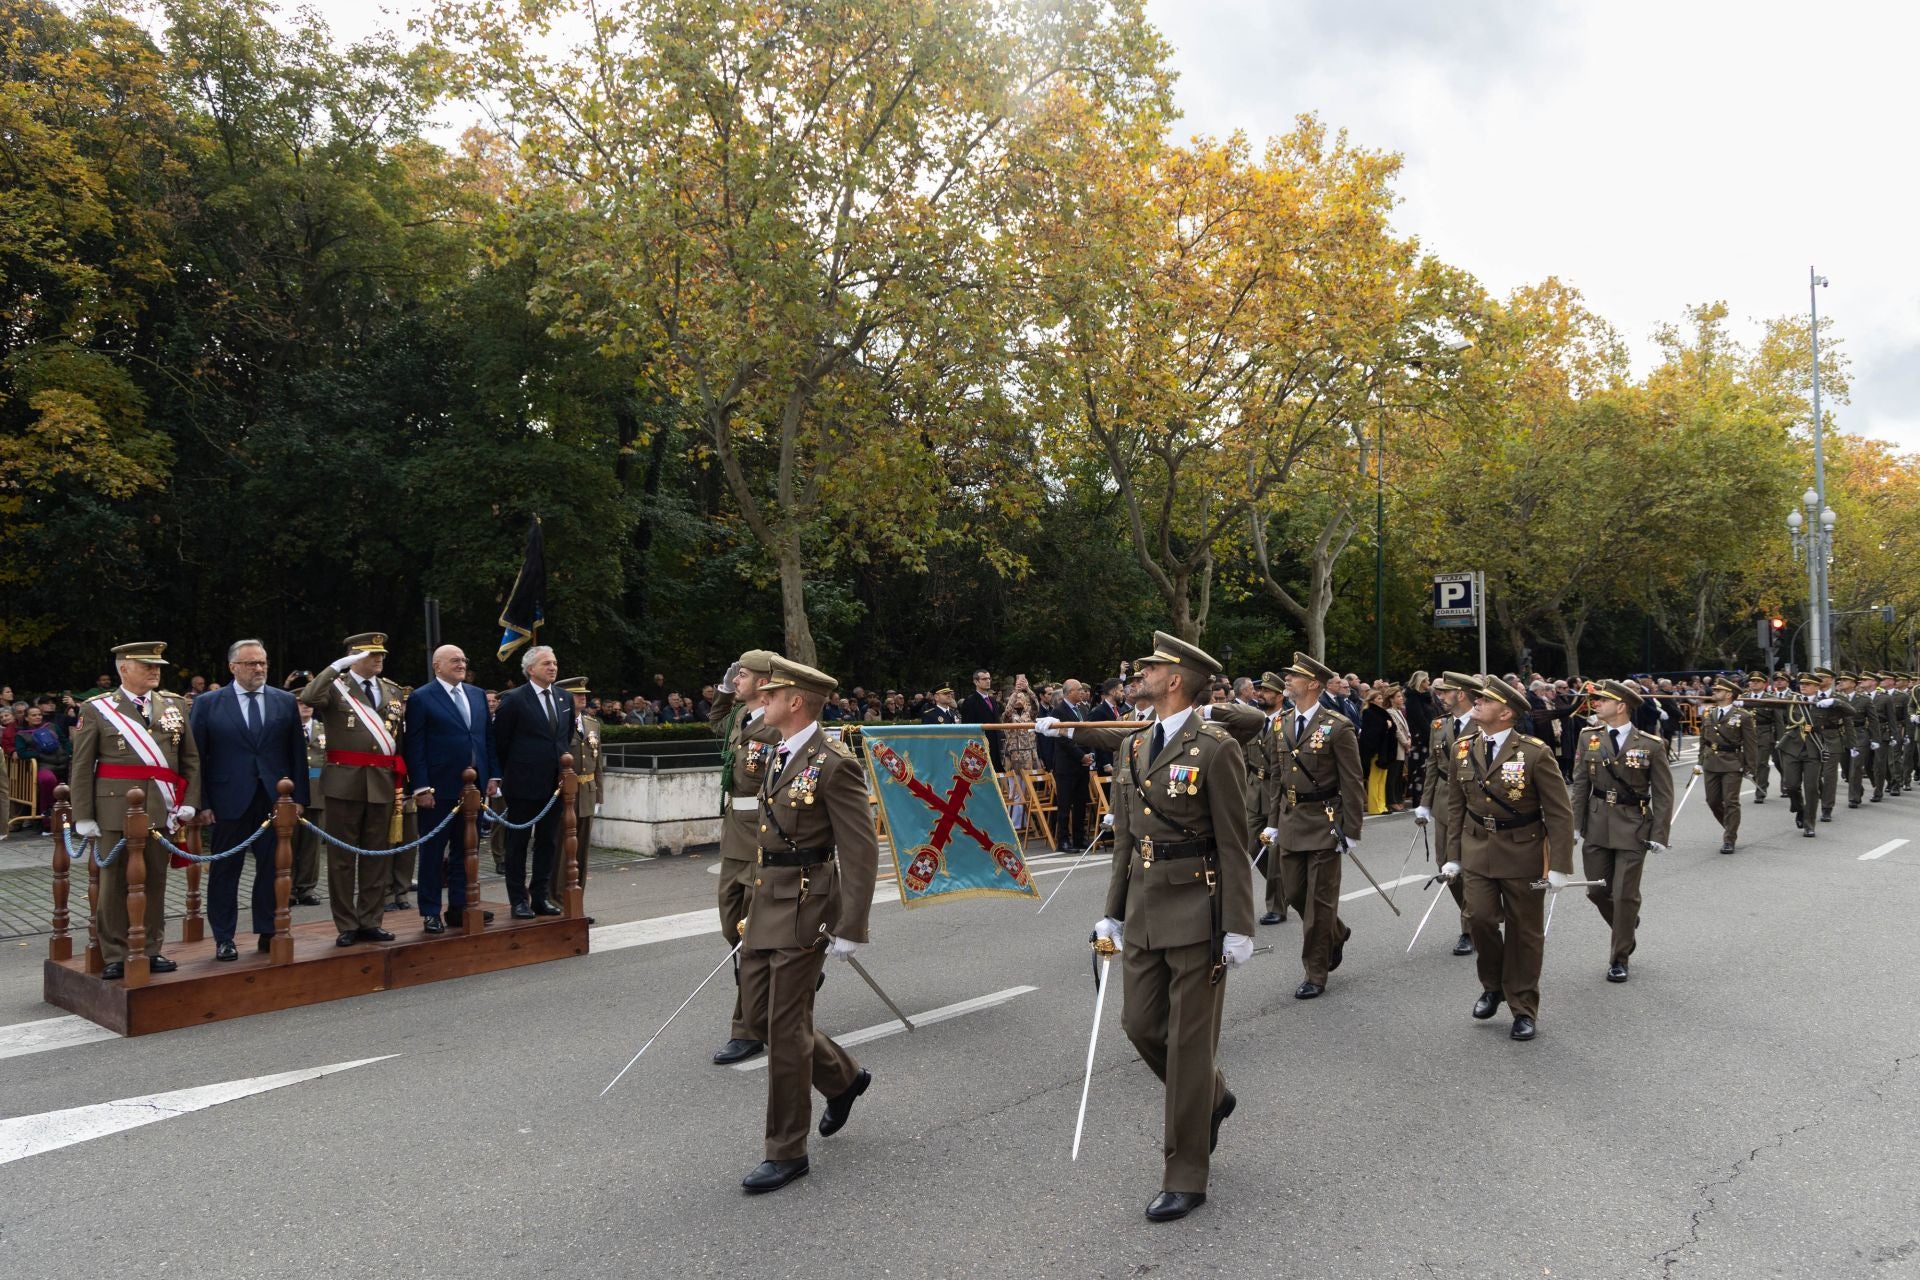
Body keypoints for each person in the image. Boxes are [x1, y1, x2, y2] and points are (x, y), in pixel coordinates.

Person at [1044, 631, 1254, 1222]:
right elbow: (1127, 843)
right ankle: (1212, 1096)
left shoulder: (1215, 748)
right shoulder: (1134, 747)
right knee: (1139, 1025)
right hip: (1141, 908)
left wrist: (1238, 924)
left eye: (1153, 666)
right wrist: (1111, 908)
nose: (1142, 673)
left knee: (1188, 1049)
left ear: (1178, 679)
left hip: (1197, 910)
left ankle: (1185, 1171)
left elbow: (1234, 844)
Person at [737, 656, 881, 1194]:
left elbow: (859, 848)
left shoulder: (834, 762)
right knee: (756, 1015)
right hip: (767, 900)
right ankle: (843, 1078)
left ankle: (786, 1150)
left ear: (796, 701)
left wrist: (851, 924)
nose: (762, 700)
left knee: (782, 1027)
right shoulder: (779, 753)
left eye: (771, 694)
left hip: (806, 906)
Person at [1442, 674, 1574, 1041]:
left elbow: (1559, 813)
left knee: (1525, 933)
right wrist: (1452, 854)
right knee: (1479, 919)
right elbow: (1456, 806)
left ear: (1506, 712)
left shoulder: (1534, 752)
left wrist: (1560, 865)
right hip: (1477, 849)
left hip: (1523, 851)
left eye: (1485, 699)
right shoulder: (1463, 748)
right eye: (1478, 698)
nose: (1477, 701)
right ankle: (1493, 985)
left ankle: (1523, 1006)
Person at [69, 642, 202, 979]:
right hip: (113, 810)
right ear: (124, 668)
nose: (155, 670)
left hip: (161, 806)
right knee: (113, 883)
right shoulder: (98, 708)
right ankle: (114, 953)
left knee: (154, 881)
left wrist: (189, 801)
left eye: (158, 665)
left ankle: (151, 948)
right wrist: (82, 815)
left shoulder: (173, 705)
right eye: (147, 665)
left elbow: (190, 759)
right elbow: (82, 766)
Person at [188, 639, 310, 960]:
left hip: (273, 798)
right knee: (226, 870)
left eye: (263, 663)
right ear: (233, 667)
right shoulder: (209, 704)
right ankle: (224, 937)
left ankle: (268, 930)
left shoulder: (284, 701)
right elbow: (196, 757)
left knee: (274, 868)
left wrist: (298, 798)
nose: (259, 668)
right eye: (251, 663)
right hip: (228, 799)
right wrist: (201, 803)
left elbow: (297, 753)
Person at [1262, 652, 1363, 999]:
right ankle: (1337, 931)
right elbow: (1277, 777)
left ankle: (1314, 972)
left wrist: (1351, 831)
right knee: (1293, 893)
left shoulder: (1337, 726)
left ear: (1314, 684)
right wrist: (1273, 822)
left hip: (1325, 821)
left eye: (1294, 676)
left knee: (1319, 904)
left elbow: (1352, 781)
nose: (1286, 680)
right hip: (1291, 820)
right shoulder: (1281, 723)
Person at [301, 633, 407, 947]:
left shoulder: (392, 690)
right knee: (342, 859)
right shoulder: (335, 688)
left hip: (382, 782)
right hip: (343, 784)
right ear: (352, 656)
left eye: (382, 654)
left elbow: (398, 740)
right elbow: (307, 697)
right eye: (372, 654)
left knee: (377, 857)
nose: (379, 659)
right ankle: (346, 923)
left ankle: (371, 920)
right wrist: (336, 668)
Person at [1569, 681, 1674, 983]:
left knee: (1624, 893)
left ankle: (1619, 957)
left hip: (1634, 824)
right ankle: (1626, 925)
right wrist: (1575, 825)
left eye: (1603, 700)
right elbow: (1580, 784)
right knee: (1596, 890)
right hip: (1597, 822)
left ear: (1621, 706)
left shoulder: (1651, 744)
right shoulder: (1588, 737)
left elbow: (1664, 793)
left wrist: (1660, 833)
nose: (1596, 703)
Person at [708, 649, 782, 1065]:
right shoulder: (740, 718)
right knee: (730, 926)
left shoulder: (777, 728)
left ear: (765, 682)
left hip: (764, 840)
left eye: (744, 674)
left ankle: (749, 1028)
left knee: (752, 938)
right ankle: (787, 975)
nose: (736, 678)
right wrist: (723, 690)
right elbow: (715, 724)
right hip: (735, 838)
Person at [401, 645, 500, 933]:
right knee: (432, 852)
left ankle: (461, 906)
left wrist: (493, 775)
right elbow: (415, 746)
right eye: (455, 660)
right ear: (437, 666)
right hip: (438, 787)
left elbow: (486, 739)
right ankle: (431, 911)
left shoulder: (476, 694)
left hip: (474, 787)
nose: (461, 663)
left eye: (464, 659)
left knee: (467, 849)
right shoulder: (422, 697)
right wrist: (420, 788)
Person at [494, 644, 573, 918]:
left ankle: (540, 896)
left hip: (555, 785)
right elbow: (501, 742)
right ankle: (518, 899)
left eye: (554, 662)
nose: (552, 667)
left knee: (548, 842)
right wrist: (510, 775)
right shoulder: (514, 699)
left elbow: (564, 739)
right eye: (546, 664)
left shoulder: (564, 698)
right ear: (530, 669)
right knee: (517, 843)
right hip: (523, 784)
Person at [1416, 673, 1481, 957]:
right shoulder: (1439, 725)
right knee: (1447, 865)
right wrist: (1425, 802)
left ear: (1462, 694)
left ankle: (1471, 927)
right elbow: (1433, 764)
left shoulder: (1483, 722)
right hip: (1444, 799)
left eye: (1446, 692)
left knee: (1474, 865)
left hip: (1475, 800)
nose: (1440, 696)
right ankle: (1474, 916)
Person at [1775, 672, 1857, 837]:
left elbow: (1851, 712)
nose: (1803, 686)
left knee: (1811, 788)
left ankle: (1809, 823)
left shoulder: (1825, 704)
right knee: (1790, 785)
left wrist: (1836, 701)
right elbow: (1768, 703)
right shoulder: (1792, 701)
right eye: (1801, 684)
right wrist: (1741, 702)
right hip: (1792, 747)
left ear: (1817, 687)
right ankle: (1799, 808)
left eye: (1807, 684)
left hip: (1814, 748)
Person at [551, 675, 603, 912]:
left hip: (587, 793)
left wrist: (599, 794)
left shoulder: (592, 724)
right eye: (576, 694)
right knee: (562, 850)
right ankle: (557, 898)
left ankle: (576, 900)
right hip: (565, 795)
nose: (583, 697)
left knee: (581, 851)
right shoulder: (557, 724)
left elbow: (598, 763)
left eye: (584, 694)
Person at [1243, 672, 1289, 927]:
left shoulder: (1289, 722)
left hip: (1277, 790)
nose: (1261, 695)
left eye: (1267, 692)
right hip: (1254, 791)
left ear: (1280, 696)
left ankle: (1276, 904)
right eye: (1260, 691)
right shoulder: (1254, 722)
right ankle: (1285, 887)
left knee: (1274, 850)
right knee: (1252, 846)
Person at [1696, 677, 1754, 854]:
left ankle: (1729, 837)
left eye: (1717, 690)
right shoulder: (1708, 713)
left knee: (1730, 802)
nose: (1714, 693)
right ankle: (1730, 826)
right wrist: (1699, 761)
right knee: (1712, 800)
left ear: (1729, 694)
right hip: (1711, 761)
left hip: (1732, 762)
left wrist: (1750, 767)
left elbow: (1751, 743)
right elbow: (1703, 739)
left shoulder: (1743, 716)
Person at [14, 704, 71, 830]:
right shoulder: (21, 735)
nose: (37, 717)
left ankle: (70, 822)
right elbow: (22, 753)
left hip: (63, 763)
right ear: (27, 718)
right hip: (43, 766)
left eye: (39, 714)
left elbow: (64, 740)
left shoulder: (52, 726)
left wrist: (67, 752)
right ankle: (47, 822)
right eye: (33, 715)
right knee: (48, 781)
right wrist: (38, 754)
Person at [291, 699, 325, 904]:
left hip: (318, 791)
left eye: (310, 703)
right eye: (301, 703)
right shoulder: (288, 728)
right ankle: (289, 888)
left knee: (312, 845)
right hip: (293, 791)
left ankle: (307, 888)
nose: (306, 706)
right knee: (290, 843)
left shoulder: (324, 728)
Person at [1358, 684, 1401, 816]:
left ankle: (1382, 805)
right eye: (1378, 698)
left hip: (1385, 750)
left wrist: (1388, 726)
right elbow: (1371, 732)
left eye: (1381, 698)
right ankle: (1375, 806)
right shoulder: (1368, 712)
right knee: (1374, 780)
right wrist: (1385, 725)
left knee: (1382, 780)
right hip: (1375, 751)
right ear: (1371, 700)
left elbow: (1392, 727)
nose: (1381, 700)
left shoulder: (1382, 712)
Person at [1743, 671, 1777, 803]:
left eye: (1757, 681)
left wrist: (1778, 737)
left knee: (1761, 763)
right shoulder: (1743, 697)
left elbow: (1777, 719)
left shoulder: (1770, 698)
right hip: (1746, 733)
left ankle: (1760, 790)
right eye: (1752, 681)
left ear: (1764, 684)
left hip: (1764, 732)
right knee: (1748, 763)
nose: (1754, 683)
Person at [960, 668, 1003, 769]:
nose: (988, 681)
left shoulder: (992, 700)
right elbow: (967, 727)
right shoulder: (970, 701)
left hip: (995, 746)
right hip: (980, 747)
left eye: (989, 678)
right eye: (984, 679)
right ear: (976, 682)